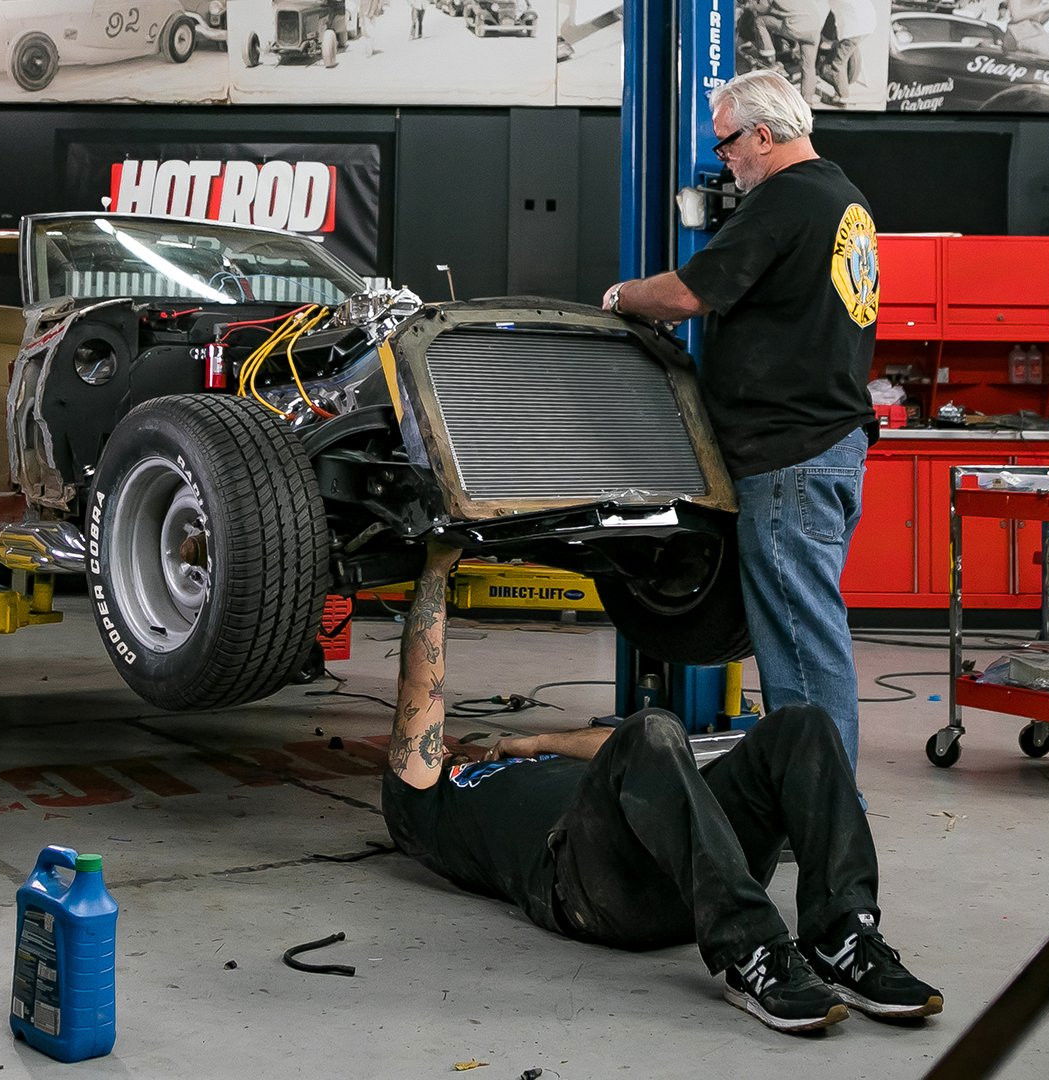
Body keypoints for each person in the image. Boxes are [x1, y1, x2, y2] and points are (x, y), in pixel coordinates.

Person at [380, 541, 943, 1034]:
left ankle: (844, 937)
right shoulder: (422, 798)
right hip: (593, 892)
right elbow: (421, 685)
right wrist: (434, 571)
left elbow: (632, 754)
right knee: (651, 728)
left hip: (696, 865)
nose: (449, 738)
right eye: (440, 737)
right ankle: (753, 952)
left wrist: (529, 742)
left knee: (803, 725)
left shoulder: (516, 759)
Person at [597, 71, 876, 773]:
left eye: (727, 147)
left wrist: (622, 297)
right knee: (805, 631)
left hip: (790, 457)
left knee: (801, 649)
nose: (726, 162)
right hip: (828, 446)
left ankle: (826, 810)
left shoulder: (784, 200)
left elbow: (690, 293)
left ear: (761, 134)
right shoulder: (845, 200)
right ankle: (813, 800)